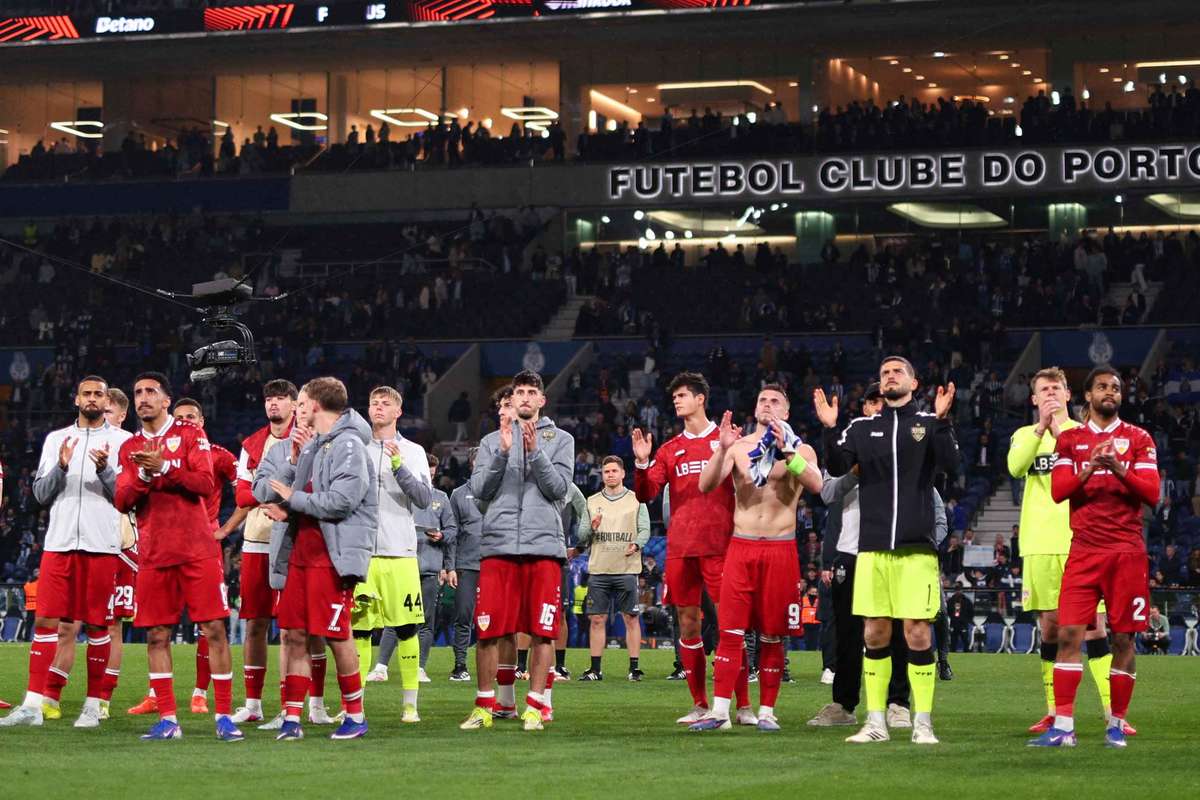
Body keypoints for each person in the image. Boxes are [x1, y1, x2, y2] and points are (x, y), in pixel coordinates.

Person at [816, 356, 958, 745]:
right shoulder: (862, 428)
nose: (890, 376)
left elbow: (952, 465)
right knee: (875, 633)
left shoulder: (928, 424)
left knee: (916, 633)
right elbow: (836, 464)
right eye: (884, 373)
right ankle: (875, 722)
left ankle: (922, 722)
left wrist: (944, 422)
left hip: (916, 552)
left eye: (897, 372)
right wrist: (829, 429)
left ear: (914, 383)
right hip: (873, 551)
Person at [1032, 367, 1159, 748]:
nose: (1110, 392)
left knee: (1123, 639)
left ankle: (1116, 726)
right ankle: (1064, 727)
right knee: (1068, 633)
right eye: (1102, 386)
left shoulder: (1138, 438)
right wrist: (1089, 469)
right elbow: (1059, 491)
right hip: (1084, 551)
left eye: (1116, 388)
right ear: (1087, 395)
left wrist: (1120, 470)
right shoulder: (1069, 439)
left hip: (1126, 554)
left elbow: (1152, 493)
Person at [111, 372, 240, 741]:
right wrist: (145, 477)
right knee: (156, 635)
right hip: (153, 553)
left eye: (151, 392)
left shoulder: (190, 435)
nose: (143, 398)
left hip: (197, 549)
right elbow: (122, 500)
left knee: (215, 629)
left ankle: (224, 717)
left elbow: (203, 483)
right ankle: (168, 719)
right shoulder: (129, 447)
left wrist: (164, 467)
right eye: (138, 392)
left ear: (167, 400)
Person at [0, 376, 131, 729]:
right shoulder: (56, 439)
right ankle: (32, 704)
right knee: (45, 621)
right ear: (76, 399)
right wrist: (60, 466)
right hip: (58, 544)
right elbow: (40, 495)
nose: (92, 399)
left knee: (98, 624)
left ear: (107, 402)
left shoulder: (123, 442)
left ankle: (92, 706)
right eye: (86, 393)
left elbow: (127, 497)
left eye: (98, 394)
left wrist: (105, 471)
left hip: (101, 544)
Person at [690, 385, 822, 732]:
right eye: (762, 399)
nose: (767, 404)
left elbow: (817, 484)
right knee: (730, 631)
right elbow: (705, 485)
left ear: (787, 412)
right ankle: (720, 713)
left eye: (775, 400)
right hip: (742, 546)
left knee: (773, 635)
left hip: (780, 549)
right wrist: (721, 449)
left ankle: (767, 712)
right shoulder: (739, 447)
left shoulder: (801, 449)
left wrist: (789, 452)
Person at [255, 377, 378, 741]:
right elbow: (296, 494)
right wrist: (288, 502)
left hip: (332, 556)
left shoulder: (351, 444)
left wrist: (291, 501)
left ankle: (355, 716)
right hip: (301, 553)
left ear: (315, 405)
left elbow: (341, 501)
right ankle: (292, 718)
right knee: (294, 634)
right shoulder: (313, 445)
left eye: (303, 402)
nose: (299, 409)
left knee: (337, 635)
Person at [1008, 367, 1124, 736]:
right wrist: (1042, 429)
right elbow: (1015, 468)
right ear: (1034, 398)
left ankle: (1111, 712)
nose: (1050, 395)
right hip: (1040, 545)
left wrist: (1061, 433)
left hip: (1084, 542)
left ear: (1068, 394)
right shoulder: (1025, 435)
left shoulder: (1086, 434)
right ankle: (1054, 711)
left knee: (1095, 629)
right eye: (1043, 390)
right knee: (1051, 630)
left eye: (1056, 388)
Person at [632, 372, 752, 727]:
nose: (677, 401)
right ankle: (700, 704)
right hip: (681, 548)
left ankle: (743, 705)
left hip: (721, 545)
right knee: (687, 624)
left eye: (683, 395)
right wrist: (641, 463)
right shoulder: (669, 450)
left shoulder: (727, 440)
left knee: (730, 626)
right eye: (675, 397)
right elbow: (645, 494)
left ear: (701, 399)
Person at [460, 370, 573, 732]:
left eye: (531, 392)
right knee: (489, 630)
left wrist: (534, 453)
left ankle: (536, 707)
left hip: (543, 546)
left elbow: (558, 490)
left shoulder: (561, 440)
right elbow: (479, 490)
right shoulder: (493, 441)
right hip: (498, 544)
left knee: (543, 631)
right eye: (519, 392)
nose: (524, 397)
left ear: (542, 401)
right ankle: (483, 707)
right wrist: (503, 454)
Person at [355, 386, 432, 724]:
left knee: (406, 630)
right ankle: (353, 706)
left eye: (386, 403)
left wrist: (399, 466)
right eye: (374, 402)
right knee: (358, 632)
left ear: (398, 411)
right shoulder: (354, 448)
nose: (379, 408)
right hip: (361, 555)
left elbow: (424, 499)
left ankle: (410, 705)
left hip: (400, 552)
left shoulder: (413, 451)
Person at [170, 397, 245, 716]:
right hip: (164, 545)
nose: (185, 421)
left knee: (209, 622)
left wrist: (225, 529)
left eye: (191, 416)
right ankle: (154, 694)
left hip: (204, 545)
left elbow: (247, 490)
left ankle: (200, 693)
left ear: (201, 422)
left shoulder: (219, 456)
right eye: (179, 417)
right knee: (159, 623)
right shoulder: (159, 453)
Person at [229, 380, 296, 726]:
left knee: (292, 628)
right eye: (269, 399)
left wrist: (262, 485)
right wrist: (281, 490)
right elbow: (241, 497)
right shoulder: (253, 443)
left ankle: (291, 706)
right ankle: (253, 704)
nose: (274, 404)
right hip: (256, 541)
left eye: (281, 398)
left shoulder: (306, 439)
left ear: (295, 404)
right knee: (254, 623)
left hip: (294, 541)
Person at [576, 456, 651, 682]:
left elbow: (645, 529)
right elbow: (581, 536)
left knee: (630, 618)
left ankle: (634, 668)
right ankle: (595, 669)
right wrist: (592, 527)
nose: (610, 475)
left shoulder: (637, 499)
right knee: (596, 619)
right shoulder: (591, 501)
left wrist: (637, 544)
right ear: (602, 474)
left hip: (626, 568)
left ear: (622, 473)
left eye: (614, 471)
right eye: (606, 471)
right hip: (599, 569)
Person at [399, 452, 450, 686]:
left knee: (426, 620)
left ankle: (419, 667)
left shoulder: (441, 498)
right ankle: (381, 666)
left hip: (429, 567)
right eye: (426, 473)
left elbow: (452, 530)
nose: (430, 476)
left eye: (432, 473)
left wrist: (442, 536)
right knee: (398, 618)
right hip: (404, 564)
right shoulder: (402, 496)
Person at [447, 447, 482, 681]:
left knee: (497, 619)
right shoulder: (458, 494)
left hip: (496, 564)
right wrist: (449, 566)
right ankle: (460, 665)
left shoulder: (502, 492)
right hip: (467, 564)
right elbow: (452, 532)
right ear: (471, 464)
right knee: (463, 615)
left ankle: (501, 666)